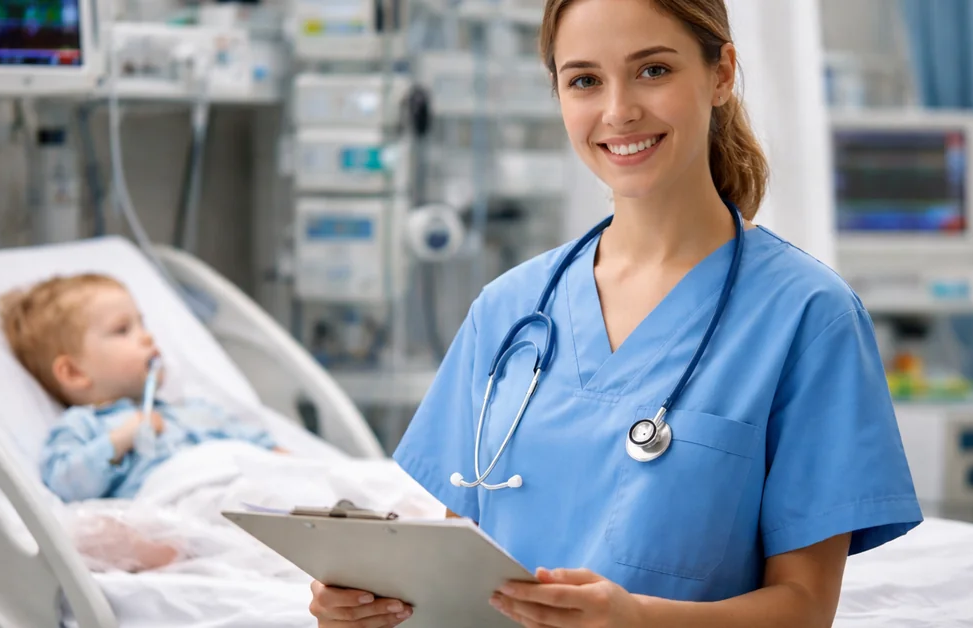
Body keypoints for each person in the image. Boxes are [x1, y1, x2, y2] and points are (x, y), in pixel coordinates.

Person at [308, 0, 923, 625]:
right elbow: (460, 564)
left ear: (721, 74)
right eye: (584, 81)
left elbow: (804, 608)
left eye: (653, 70)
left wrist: (639, 622)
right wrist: (372, 604)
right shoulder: (508, 309)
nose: (618, 111)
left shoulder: (808, 317)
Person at [0, 273, 284, 504]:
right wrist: (122, 438)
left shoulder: (187, 410)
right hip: (173, 501)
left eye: (141, 324)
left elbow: (249, 439)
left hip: (233, 488)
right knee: (106, 533)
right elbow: (65, 483)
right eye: (123, 330)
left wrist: (283, 459)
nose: (146, 337)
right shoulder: (85, 425)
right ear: (73, 372)